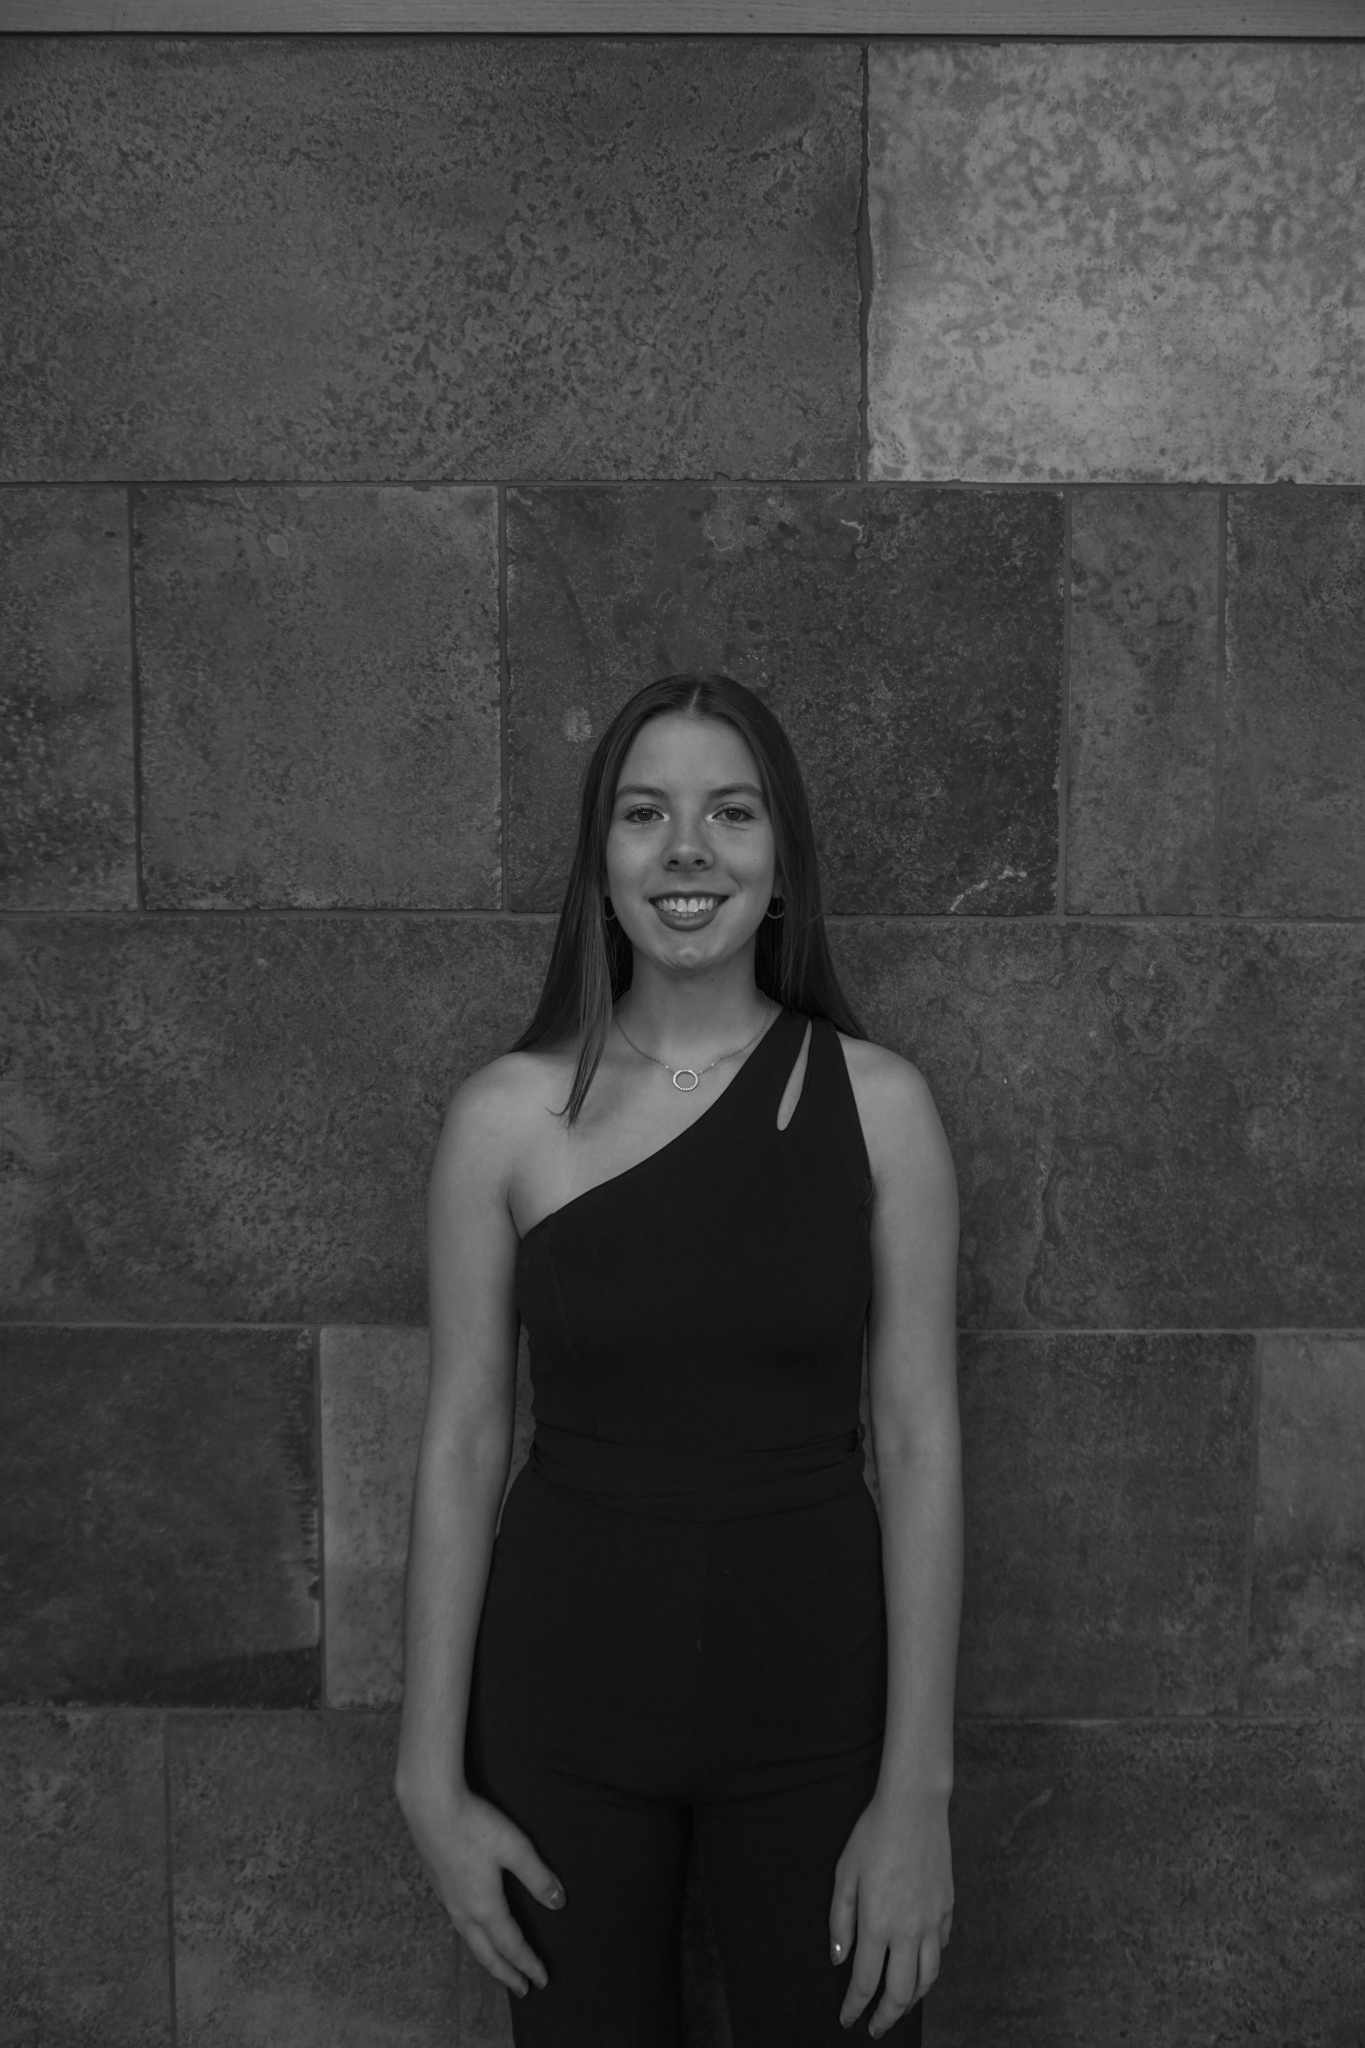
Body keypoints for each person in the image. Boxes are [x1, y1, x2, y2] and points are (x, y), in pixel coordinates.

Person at [395, 671, 962, 2046]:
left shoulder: (878, 1105)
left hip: (820, 1707)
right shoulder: (504, 1119)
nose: (689, 849)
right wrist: (425, 1775)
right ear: (601, 863)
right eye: (646, 814)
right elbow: (465, 1439)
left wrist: (916, 1796)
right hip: (561, 1716)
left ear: (782, 862)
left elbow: (919, 1439)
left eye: (730, 814)